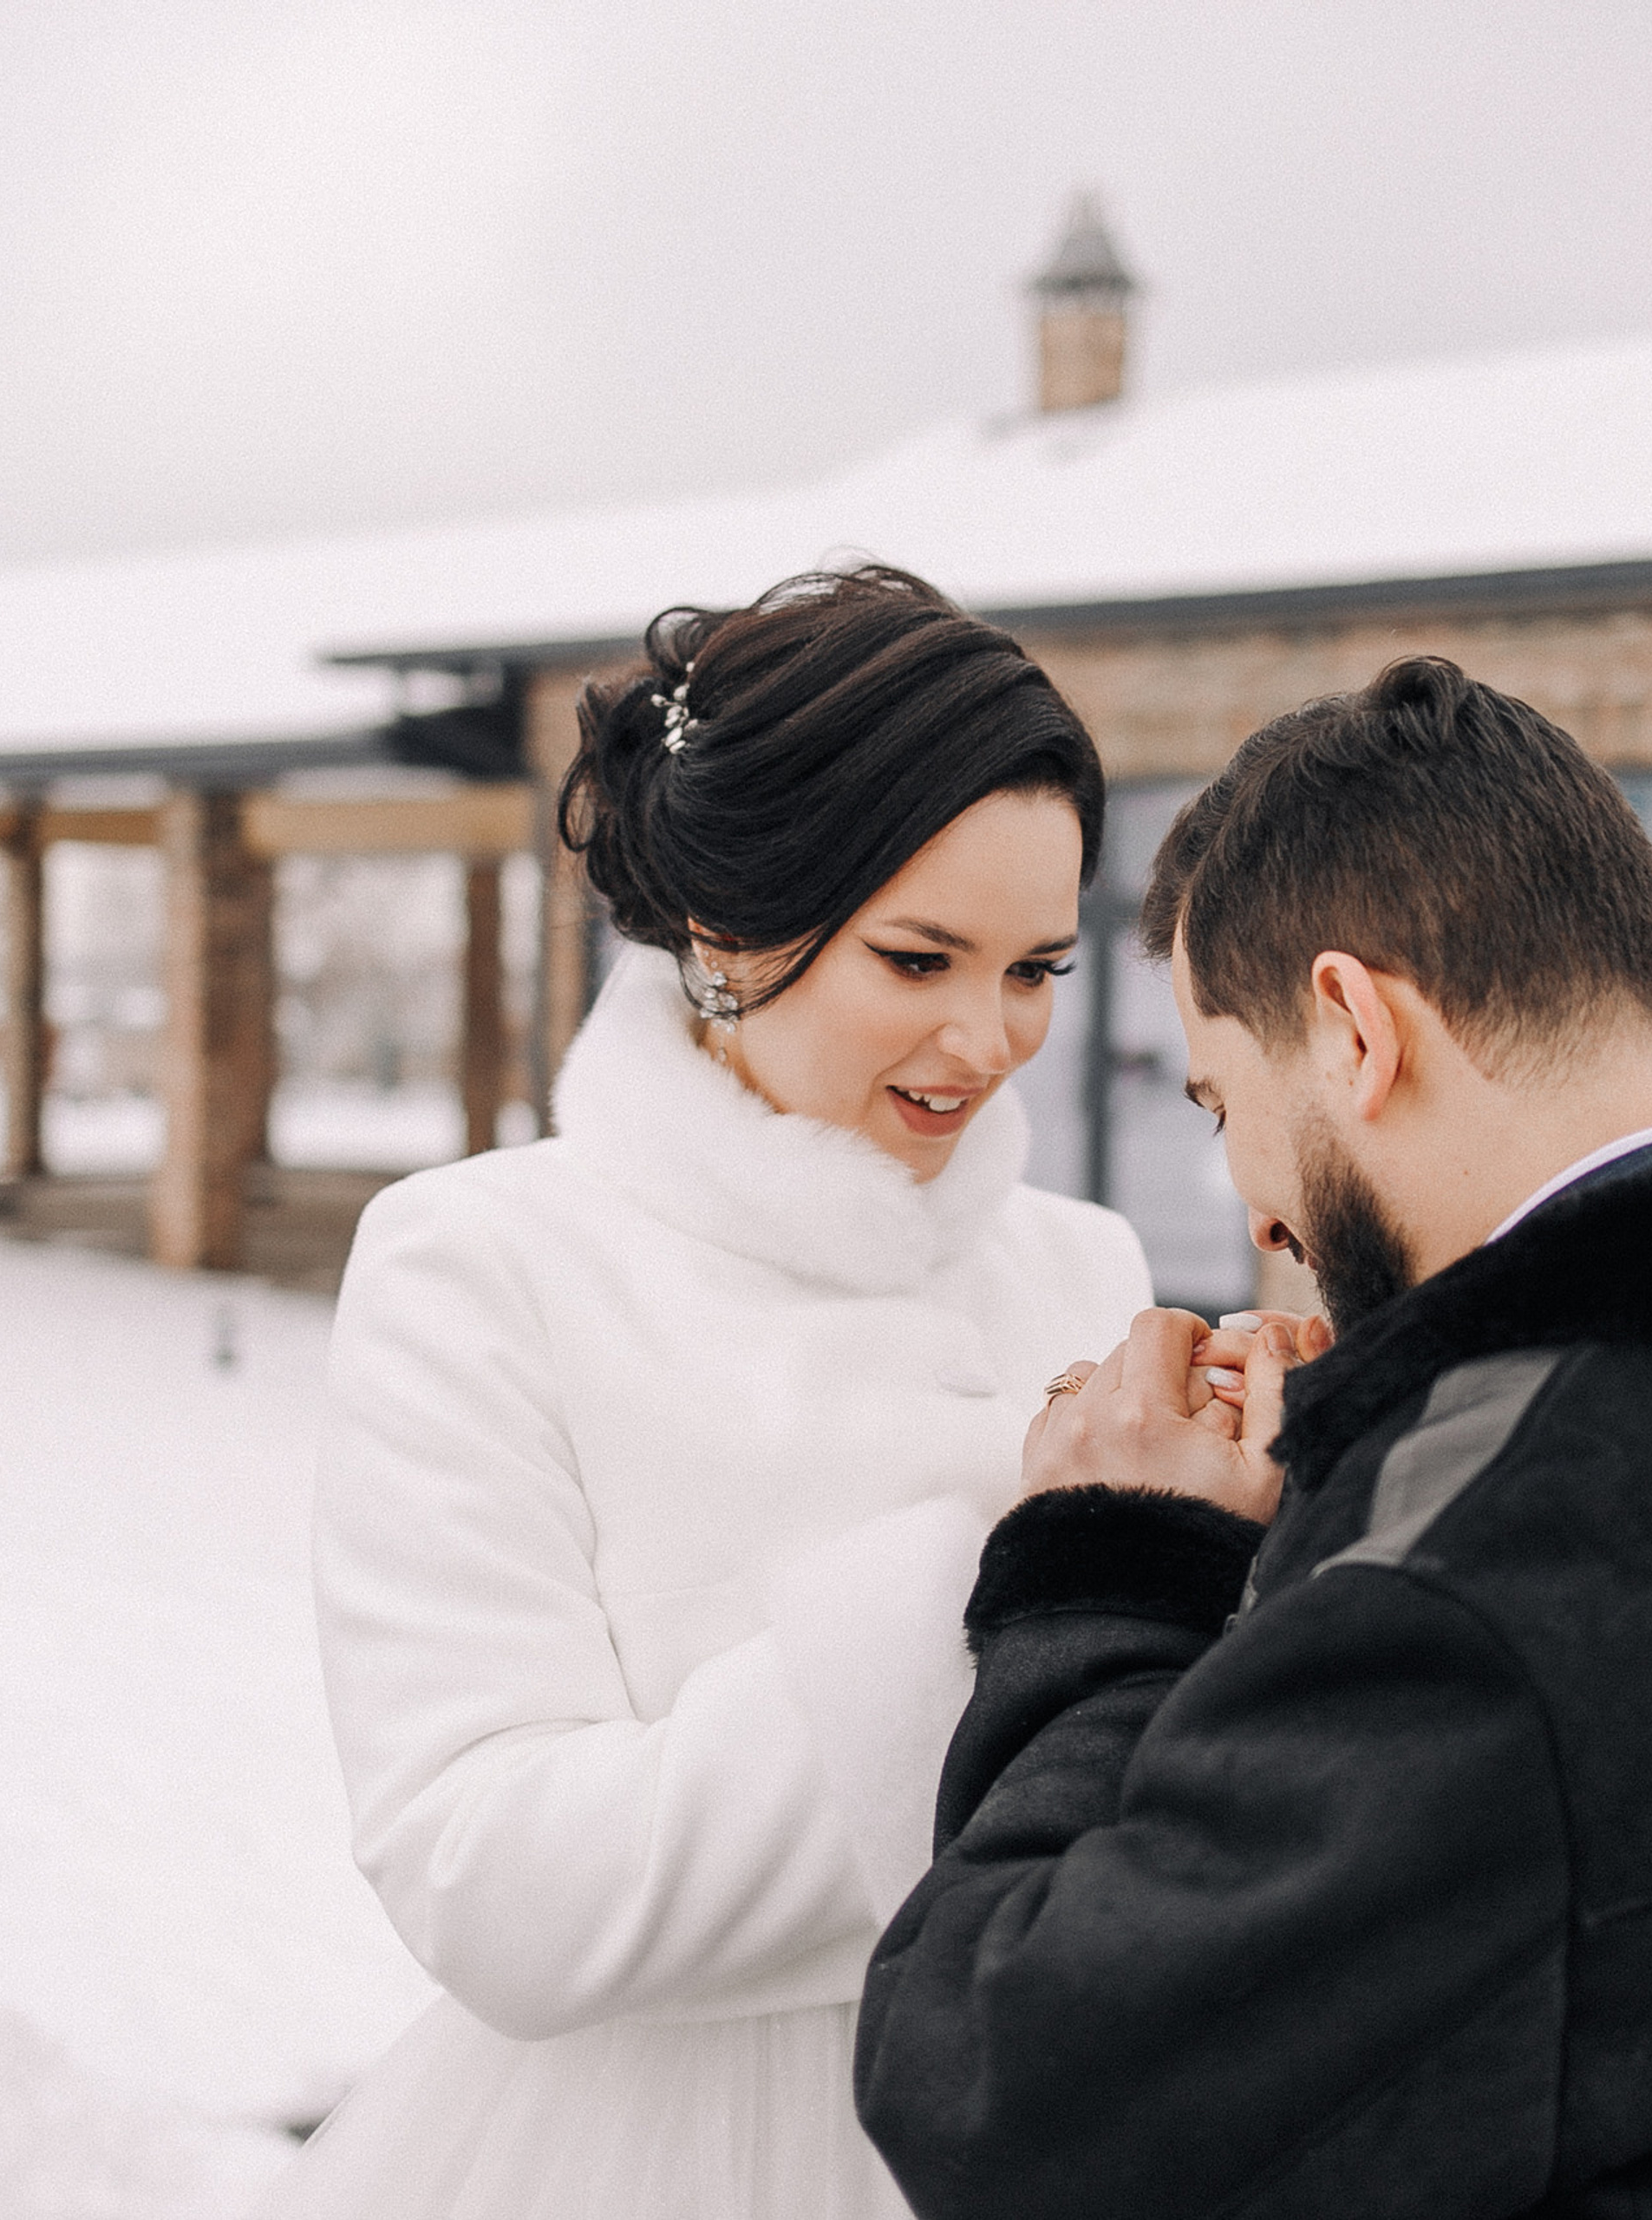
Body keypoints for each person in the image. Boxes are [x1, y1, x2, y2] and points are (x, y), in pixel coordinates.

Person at [856, 657, 1652, 2218]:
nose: (1258, 1212)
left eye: (1221, 1104)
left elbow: (996, 2089)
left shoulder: (1477, 1586)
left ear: (1351, 1028)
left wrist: (1115, 1576)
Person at [260, 567, 1153, 2220]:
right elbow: (491, 1879)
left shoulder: (1084, 1271)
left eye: (1037, 969)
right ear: (728, 930)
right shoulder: (483, 1265)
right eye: (919, 956)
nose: (989, 1037)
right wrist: (1016, 1560)